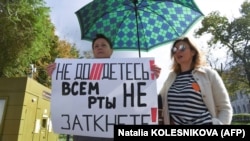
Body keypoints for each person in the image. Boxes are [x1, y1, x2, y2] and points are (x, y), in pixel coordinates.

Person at [47, 33, 161, 140]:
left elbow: (135, 93)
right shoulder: (79, 72)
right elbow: (69, 92)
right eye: (96, 46)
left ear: (111, 51)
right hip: (85, 132)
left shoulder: (124, 71)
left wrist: (148, 74)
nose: (99, 47)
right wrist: (56, 73)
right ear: (93, 51)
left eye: (103, 45)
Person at [159, 36, 233, 125]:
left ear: (193, 52)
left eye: (182, 48)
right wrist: (151, 78)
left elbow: (225, 108)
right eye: (174, 49)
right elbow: (159, 102)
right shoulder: (171, 77)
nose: (177, 51)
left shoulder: (209, 74)